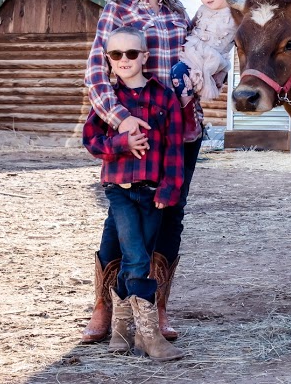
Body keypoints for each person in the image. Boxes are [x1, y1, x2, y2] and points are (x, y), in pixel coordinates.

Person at [82, 0, 204, 346]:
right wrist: (118, 119)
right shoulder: (116, 8)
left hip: (179, 126)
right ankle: (105, 305)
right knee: (122, 214)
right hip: (132, 127)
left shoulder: (178, 10)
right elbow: (96, 71)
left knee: (171, 213)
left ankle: (157, 306)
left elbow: (197, 55)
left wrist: (209, 78)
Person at [82, 26, 185, 361]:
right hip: (120, 191)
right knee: (137, 257)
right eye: (116, 55)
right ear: (108, 61)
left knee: (142, 253)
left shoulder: (164, 96)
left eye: (131, 53)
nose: (124, 60)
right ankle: (149, 336)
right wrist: (121, 143)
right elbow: (91, 141)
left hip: (154, 192)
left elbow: (174, 148)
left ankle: (121, 332)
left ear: (145, 56)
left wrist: (170, 188)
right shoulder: (109, 102)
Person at [170, 0, 236, 103]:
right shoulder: (202, 10)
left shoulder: (236, 14)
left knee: (180, 73)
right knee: (178, 75)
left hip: (212, 59)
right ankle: (185, 108)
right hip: (195, 53)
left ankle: (186, 111)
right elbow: (191, 27)